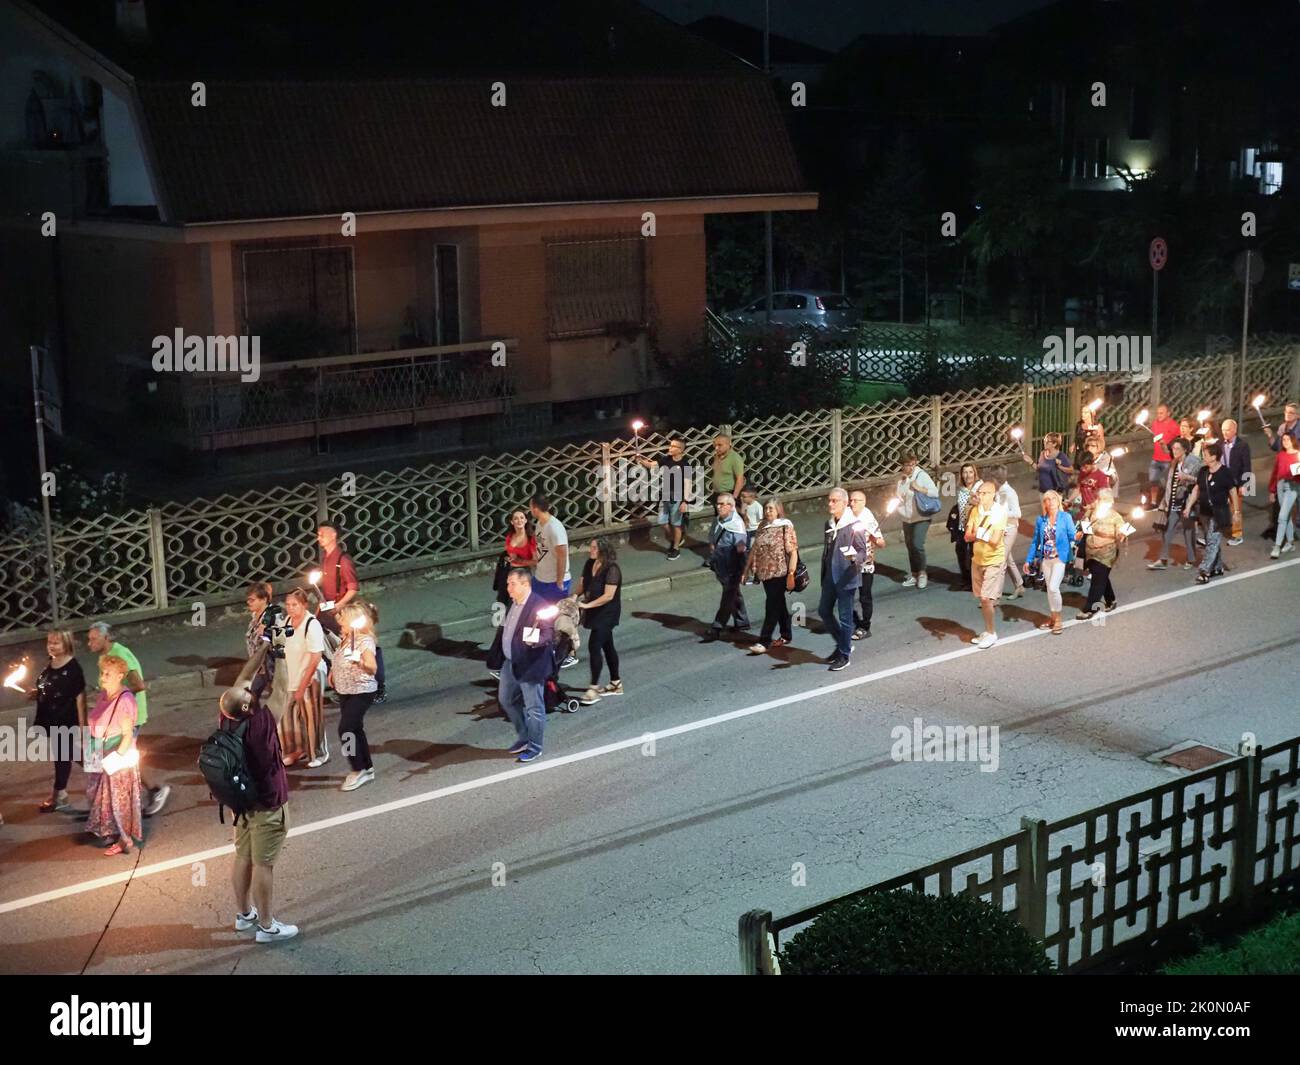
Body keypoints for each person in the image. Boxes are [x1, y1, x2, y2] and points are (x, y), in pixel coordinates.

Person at [218, 682, 298, 943]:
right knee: (264, 864)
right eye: (247, 695)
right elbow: (283, 691)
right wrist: (281, 653)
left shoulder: (227, 718)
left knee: (243, 856)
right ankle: (267, 927)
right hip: (267, 803)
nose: (249, 691)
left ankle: (244, 915)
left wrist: (265, 646)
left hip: (241, 803)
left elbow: (242, 681)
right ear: (245, 705)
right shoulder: (260, 725)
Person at [85, 622, 170, 817]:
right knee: (117, 758)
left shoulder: (119, 655)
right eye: (89, 639)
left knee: (122, 758)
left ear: (106, 638)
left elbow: (138, 685)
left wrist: (114, 697)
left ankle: (154, 790)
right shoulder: (108, 655)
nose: (89, 643)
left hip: (128, 717)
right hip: (116, 718)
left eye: (93, 639)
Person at [85, 654, 142, 856]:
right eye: (102, 672)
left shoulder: (124, 700)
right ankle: (108, 831)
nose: (103, 676)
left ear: (120, 675)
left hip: (115, 757)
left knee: (118, 801)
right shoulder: (104, 694)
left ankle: (125, 840)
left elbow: (127, 735)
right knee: (97, 794)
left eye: (108, 673)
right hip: (99, 751)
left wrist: (115, 759)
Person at [497, 569, 555, 762]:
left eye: (512, 583)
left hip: (530, 665)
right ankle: (524, 737)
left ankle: (535, 746)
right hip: (511, 662)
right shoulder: (514, 603)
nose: (508, 588)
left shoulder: (539, 605)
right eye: (507, 583)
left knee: (534, 708)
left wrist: (534, 641)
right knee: (506, 699)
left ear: (525, 584)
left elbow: (548, 635)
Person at [27, 629, 86, 813]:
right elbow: (49, 687)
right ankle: (105, 771)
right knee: (70, 754)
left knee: (62, 757)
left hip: (64, 720)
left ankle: (59, 795)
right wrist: (37, 693)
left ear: (66, 644)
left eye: (55, 643)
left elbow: (80, 698)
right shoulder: (51, 662)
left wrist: (83, 728)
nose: (50, 646)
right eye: (49, 642)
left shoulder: (73, 668)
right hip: (50, 718)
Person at [331, 602, 380, 792]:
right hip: (345, 691)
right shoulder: (346, 637)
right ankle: (367, 768)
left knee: (346, 729)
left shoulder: (364, 641)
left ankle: (356, 769)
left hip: (361, 691)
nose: (339, 621)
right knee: (356, 729)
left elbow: (372, 666)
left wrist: (358, 661)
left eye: (343, 618)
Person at [819, 487, 870, 671]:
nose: (830, 504)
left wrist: (855, 558)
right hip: (829, 577)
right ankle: (843, 643)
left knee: (845, 617)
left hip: (846, 577)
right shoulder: (829, 524)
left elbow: (863, 550)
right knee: (824, 611)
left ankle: (844, 655)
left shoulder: (854, 524)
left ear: (845, 503)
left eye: (835, 501)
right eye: (829, 500)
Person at [743, 498, 800, 655]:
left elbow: (793, 551)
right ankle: (786, 634)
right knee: (778, 603)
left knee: (771, 605)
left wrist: (791, 574)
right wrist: (746, 569)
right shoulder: (762, 526)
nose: (768, 511)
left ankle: (764, 641)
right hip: (765, 573)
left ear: (778, 510)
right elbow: (755, 548)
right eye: (766, 508)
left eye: (771, 509)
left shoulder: (785, 526)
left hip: (780, 572)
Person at [281, 588, 329, 767]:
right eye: (288, 605)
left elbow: (315, 657)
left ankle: (319, 753)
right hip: (292, 675)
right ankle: (296, 749)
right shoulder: (286, 621)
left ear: (304, 605)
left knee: (312, 715)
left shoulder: (311, 624)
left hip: (311, 675)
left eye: (295, 605)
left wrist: (303, 685)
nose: (290, 608)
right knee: (288, 715)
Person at [576, 538, 623, 704]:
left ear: (603, 549)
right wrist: (573, 597)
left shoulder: (612, 569)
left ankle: (593, 689)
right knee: (607, 645)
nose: (591, 550)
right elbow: (582, 585)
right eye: (591, 547)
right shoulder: (590, 564)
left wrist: (587, 605)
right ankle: (616, 683)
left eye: (594, 548)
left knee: (594, 645)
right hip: (594, 611)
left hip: (607, 613)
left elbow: (608, 596)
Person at [1022, 490, 1076, 635]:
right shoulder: (1041, 520)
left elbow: (1073, 536)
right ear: (1044, 504)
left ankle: (1058, 619)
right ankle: (1053, 618)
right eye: (1047, 499)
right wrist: (1028, 560)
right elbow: (1035, 541)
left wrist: (1078, 536)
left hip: (1060, 558)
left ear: (1058, 501)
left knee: (1053, 587)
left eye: (1053, 499)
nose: (1050, 501)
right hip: (1046, 559)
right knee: (1049, 591)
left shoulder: (1065, 517)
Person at [965, 480, 1007, 649]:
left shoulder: (999, 513)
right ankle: (987, 630)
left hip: (994, 560)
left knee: (986, 598)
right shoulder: (975, 511)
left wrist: (979, 533)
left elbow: (996, 541)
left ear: (992, 494)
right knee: (981, 599)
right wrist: (983, 534)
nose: (980, 496)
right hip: (978, 559)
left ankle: (991, 632)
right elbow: (967, 536)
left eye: (984, 493)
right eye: (979, 493)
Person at [1147, 438, 1201, 570]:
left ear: (1185, 449)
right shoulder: (1174, 462)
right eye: (1173, 449)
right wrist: (1166, 502)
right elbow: (1170, 485)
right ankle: (1163, 559)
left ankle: (1191, 559)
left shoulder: (1193, 461)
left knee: (1188, 532)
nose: (1174, 451)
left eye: (1177, 449)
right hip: (1174, 502)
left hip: (1188, 502)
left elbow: (1200, 480)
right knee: (1167, 531)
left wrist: (1188, 478)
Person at [637, 435, 694, 559]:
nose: (670, 447)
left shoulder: (686, 465)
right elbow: (652, 465)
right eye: (670, 445)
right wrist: (641, 460)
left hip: (678, 498)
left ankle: (675, 548)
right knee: (662, 521)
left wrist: (685, 501)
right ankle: (676, 539)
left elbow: (688, 484)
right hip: (666, 496)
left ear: (680, 450)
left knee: (676, 524)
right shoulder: (666, 459)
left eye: (673, 446)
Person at [1184, 442, 1233, 585]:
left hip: (1219, 512)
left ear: (1214, 457)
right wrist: (1189, 506)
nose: (1203, 457)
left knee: (1212, 540)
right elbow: (1196, 490)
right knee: (1211, 539)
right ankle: (1217, 567)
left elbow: (1232, 491)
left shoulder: (1224, 472)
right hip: (1205, 511)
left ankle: (1204, 571)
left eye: (1205, 455)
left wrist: (1235, 511)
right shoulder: (1203, 471)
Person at [704, 493, 750, 639]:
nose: (718, 507)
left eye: (721, 504)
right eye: (717, 504)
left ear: (730, 506)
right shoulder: (718, 520)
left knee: (728, 596)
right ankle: (742, 622)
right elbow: (712, 539)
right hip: (720, 563)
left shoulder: (737, 525)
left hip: (733, 565)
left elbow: (741, 549)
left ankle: (717, 627)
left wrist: (744, 570)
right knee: (733, 593)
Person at [1076, 487, 1127, 618]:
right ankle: (1111, 600)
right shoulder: (1091, 512)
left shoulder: (1116, 517)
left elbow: (1122, 533)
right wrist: (1083, 529)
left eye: (1106, 500)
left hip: (1107, 553)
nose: (1102, 502)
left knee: (1097, 579)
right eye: (1100, 499)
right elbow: (1084, 527)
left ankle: (1090, 609)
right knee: (1100, 576)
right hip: (1091, 552)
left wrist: (1122, 534)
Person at [895, 451, 939, 589]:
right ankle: (914, 574)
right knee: (910, 546)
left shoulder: (921, 475)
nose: (911, 467)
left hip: (921, 516)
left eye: (913, 464)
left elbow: (935, 492)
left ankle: (922, 574)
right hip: (907, 517)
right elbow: (899, 496)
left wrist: (919, 488)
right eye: (908, 465)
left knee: (917, 544)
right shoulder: (902, 479)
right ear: (902, 466)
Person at [848, 489, 886, 640]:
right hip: (849, 563)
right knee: (847, 594)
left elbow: (882, 542)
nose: (852, 503)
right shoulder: (847, 515)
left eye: (855, 500)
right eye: (851, 500)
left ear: (863, 503)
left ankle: (865, 627)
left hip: (865, 564)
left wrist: (874, 538)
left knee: (865, 596)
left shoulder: (868, 518)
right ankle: (849, 623)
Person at [1262, 402, 1299, 539]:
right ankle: (1278, 526)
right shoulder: (1283, 427)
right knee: (1281, 495)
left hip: (1296, 465)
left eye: (1291, 413)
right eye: (1286, 412)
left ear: (1298, 415)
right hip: (1284, 464)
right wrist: (1270, 436)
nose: (1287, 415)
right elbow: (1277, 447)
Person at [314, 523, 359, 636]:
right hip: (327, 608)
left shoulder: (343, 560)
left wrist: (339, 604)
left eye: (322, 535)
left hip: (340, 611)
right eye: (318, 535)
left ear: (333, 535)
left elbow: (353, 588)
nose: (318, 538)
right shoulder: (326, 557)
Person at [530, 493, 572, 605]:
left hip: (554, 581)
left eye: (530, 507)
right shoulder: (539, 524)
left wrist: (559, 582)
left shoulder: (555, 527)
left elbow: (562, 556)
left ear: (535, 509)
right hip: (540, 577)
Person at [991, 466, 1025, 599]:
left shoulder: (1009, 493)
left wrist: (1001, 513)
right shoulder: (998, 492)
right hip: (1001, 529)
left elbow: (1017, 513)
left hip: (1010, 529)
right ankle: (1019, 585)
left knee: (1000, 561)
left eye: (992, 478)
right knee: (1008, 559)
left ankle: (995, 596)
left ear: (997, 479)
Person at [1267, 429, 1300, 559]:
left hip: (1292, 487)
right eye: (1283, 440)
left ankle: (1277, 546)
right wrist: (1272, 490)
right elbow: (1275, 473)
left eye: (1288, 439)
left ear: (1293, 440)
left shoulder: (1298, 454)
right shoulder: (1281, 455)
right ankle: (1290, 542)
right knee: (1285, 516)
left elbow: (1298, 477)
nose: (1285, 442)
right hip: (1281, 486)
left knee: (1282, 517)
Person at [496, 508, 539, 606]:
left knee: (519, 599)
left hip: (523, 572)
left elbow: (535, 561)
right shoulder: (510, 536)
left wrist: (519, 561)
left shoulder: (530, 538)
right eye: (516, 518)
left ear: (525, 520)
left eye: (521, 518)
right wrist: (510, 559)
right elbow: (510, 554)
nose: (519, 520)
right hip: (508, 570)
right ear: (512, 522)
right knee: (504, 598)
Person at [1219, 419, 1251, 546]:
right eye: (1223, 430)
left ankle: (1237, 535)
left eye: (1227, 430)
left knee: (1236, 510)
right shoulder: (1220, 444)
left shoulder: (1242, 445)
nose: (1225, 433)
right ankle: (1214, 531)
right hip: (1222, 482)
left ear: (1234, 430)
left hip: (1235, 483)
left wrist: (1244, 484)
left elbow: (1247, 466)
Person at [244, 582, 276, 698]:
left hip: (270, 667)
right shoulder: (254, 617)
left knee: (251, 696)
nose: (248, 602)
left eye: (252, 600)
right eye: (248, 600)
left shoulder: (270, 616)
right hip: (259, 668)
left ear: (264, 599)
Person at [952, 463, 980, 589]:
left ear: (974, 473)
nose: (967, 475)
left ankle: (975, 581)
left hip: (975, 527)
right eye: (965, 472)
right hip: (962, 527)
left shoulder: (980, 488)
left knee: (974, 554)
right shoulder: (961, 490)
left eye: (970, 472)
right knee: (961, 551)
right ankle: (966, 578)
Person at [1147, 404, 1180, 508]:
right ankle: (1153, 502)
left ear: (1168, 413)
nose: (1159, 415)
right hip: (1156, 458)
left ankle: (1167, 502)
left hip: (1168, 459)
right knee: (1153, 481)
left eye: (1161, 413)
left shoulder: (1174, 426)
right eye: (1157, 413)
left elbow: (1178, 440)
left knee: (1167, 483)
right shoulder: (1155, 424)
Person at [711, 434, 745, 506]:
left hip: (729, 494)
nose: (716, 448)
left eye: (720, 445)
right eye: (715, 445)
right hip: (717, 493)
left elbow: (740, 479)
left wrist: (734, 497)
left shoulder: (735, 458)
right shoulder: (717, 456)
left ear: (728, 444)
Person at [740, 487, 763, 580]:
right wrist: (743, 511)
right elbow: (743, 515)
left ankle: (756, 572)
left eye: (744, 497)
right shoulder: (744, 504)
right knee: (745, 551)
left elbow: (761, 521)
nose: (741, 498)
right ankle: (748, 571)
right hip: (746, 530)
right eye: (741, 496)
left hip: (754, 530)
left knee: (752, 551)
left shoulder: (758, 507)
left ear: (752, 497)